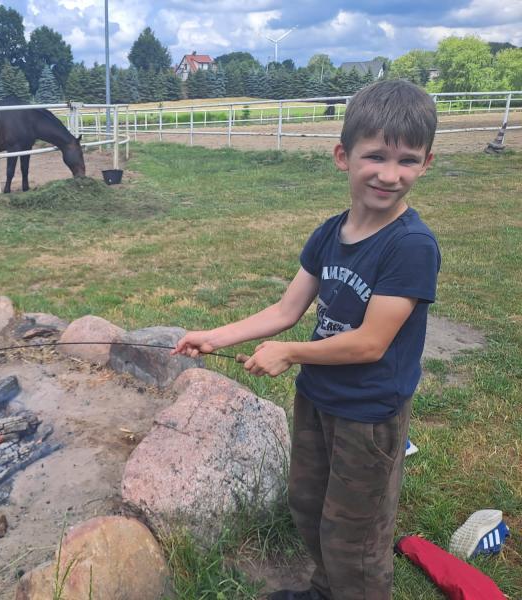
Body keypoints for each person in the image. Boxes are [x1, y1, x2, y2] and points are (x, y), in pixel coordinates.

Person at [172, 79, 441, 600]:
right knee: (310, 505)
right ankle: (326, 589)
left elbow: (370, 344)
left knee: (356, 533)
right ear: (343, 155)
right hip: (318, 399)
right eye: (376, 156)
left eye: (407, 160)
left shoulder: (410, 246)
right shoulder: (329, 233)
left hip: (368, 413)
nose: (390, 175)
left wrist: (291, 352)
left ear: (426, 163)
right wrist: (213, 335)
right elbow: (285, 309)